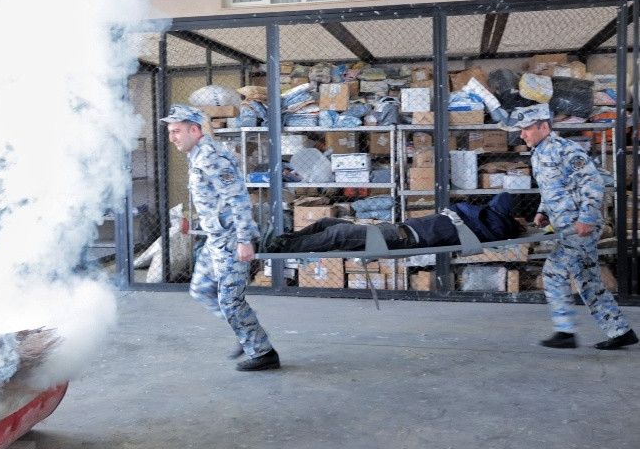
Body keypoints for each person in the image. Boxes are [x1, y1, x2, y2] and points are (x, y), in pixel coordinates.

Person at [505, 102, 637, 350]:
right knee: (588, 280)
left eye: (526, 129)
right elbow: (552, 187)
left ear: (544, 126)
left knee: (553, 274)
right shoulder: (539, 152)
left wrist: (586, 218)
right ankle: (621, 331)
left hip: (579, 228)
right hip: (566, 227)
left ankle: (565, 331)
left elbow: (592, 184)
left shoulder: (567, 150)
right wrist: (543, 211)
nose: (522, 135)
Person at [161, 104, 279, 371]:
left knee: (230, 300)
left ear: (194, 129)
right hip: (215, 239)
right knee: (201, 290)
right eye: (170, 132)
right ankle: (244, 326)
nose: (173, 138)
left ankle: (263, 352)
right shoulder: (197, 154)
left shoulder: (211, 156)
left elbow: (237, 197)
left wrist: (244, 239)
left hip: (230, 239)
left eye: (177, 131)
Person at [263, 193, 521, 254]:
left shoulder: (489, 223)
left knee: (339, 233)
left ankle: (278, 249)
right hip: (397, 229)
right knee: (327, 221)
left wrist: (513, 220)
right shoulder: (480, 217)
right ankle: (285, 240)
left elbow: (505, 199)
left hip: (400, 238)